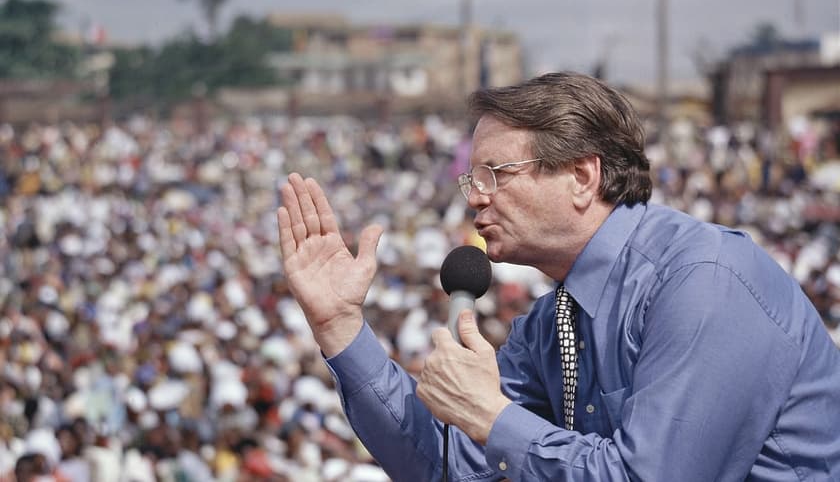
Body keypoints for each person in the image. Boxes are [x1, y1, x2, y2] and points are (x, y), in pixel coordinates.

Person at [276, 72, 840, 481]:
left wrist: (494, 417)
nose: (474, 197)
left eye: (494, 174)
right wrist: (340, 327)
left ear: (581, 175)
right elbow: (444, 464)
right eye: (470, 178)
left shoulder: (703, 282)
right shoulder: (553, 321)